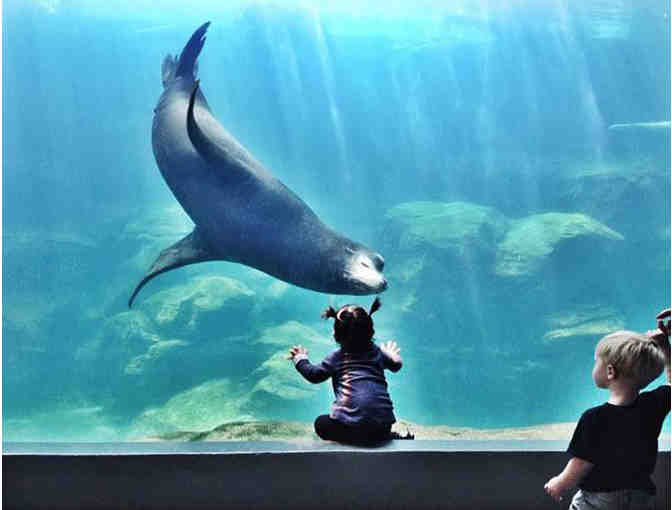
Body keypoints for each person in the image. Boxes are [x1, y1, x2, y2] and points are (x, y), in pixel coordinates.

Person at [544, 308, 671, 509]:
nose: (594, 366)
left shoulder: (594, 417)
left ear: (610, 371)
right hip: (641, 496)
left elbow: (581, 463)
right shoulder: (653, 405)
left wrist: (560, 483)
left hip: (599, 499)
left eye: (597, 362)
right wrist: (665, 348)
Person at [288, 297, 408, 444]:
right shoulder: (377, 353)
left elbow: (314, 375)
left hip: (350, 429)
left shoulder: (337, 357)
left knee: (321, 423)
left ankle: (361, 439)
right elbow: (396, 366)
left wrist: (300, 359)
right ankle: (382, 437)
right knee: (373, 426)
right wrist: (393, 355)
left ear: (336, 335)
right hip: (382, 427)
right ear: (371, 331)